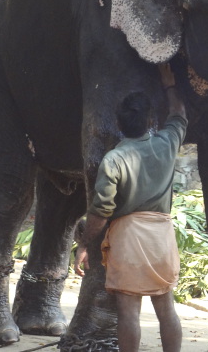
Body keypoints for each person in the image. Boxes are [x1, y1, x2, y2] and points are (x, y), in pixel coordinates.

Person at [76, 64, 187, 352]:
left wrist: (86, 244)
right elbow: (179, 115)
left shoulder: (114, 159)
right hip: (161, 238)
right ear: (150, 120)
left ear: (119, 124)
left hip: (128, 241)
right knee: (166, 309)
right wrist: (169, 83)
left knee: (128, 312)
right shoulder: (168, 143)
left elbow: (100, 211)